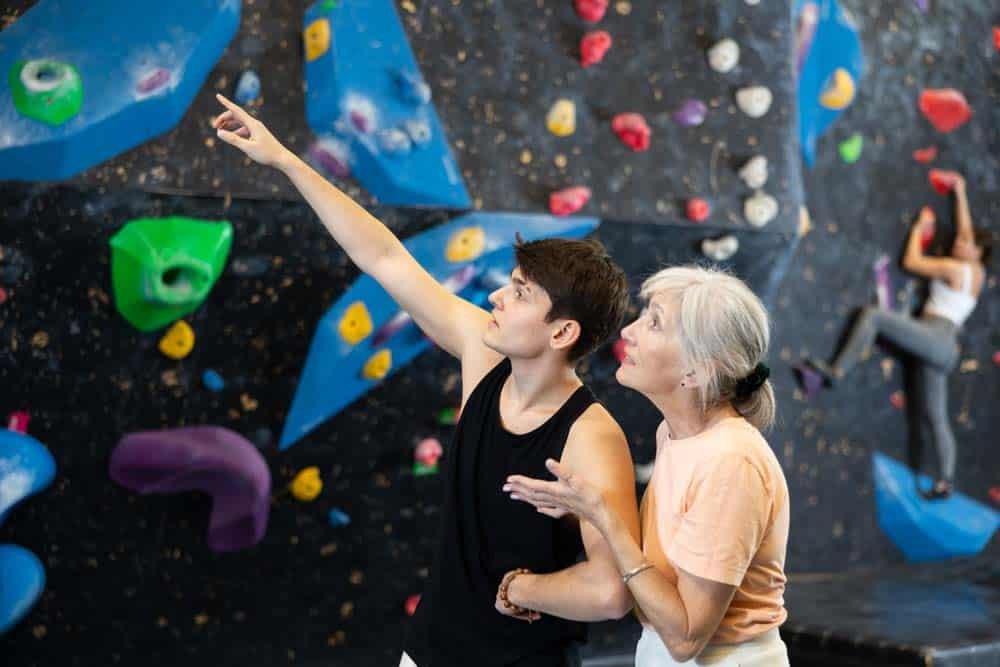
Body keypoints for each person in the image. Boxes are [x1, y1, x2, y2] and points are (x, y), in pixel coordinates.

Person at [211, 94, 641, 666]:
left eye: (519, 293)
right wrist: (287, 161)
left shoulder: (592, 438)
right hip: (429, 651)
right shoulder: (483, 357)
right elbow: (385, 258)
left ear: (561, 333)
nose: (495, 296)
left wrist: (520, 589)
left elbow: (610, 591)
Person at [506, 266, 791, 666]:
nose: (629, 332)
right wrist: (582, 511)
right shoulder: (673, 433)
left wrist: (605, 518)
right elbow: (663, 567)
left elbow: (685, 637)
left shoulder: (732, 463)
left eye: (655, 323)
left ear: (698, 370)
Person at [806, 174, 991, 499]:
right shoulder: (976, 273)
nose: (961, 242)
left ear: (978, 254)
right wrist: (960, 191)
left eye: (969, 244)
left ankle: (837, 370)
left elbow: (911, 262)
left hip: (935, 335)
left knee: (873, 316)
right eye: (963, 240)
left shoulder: (956, 268)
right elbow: (965, 229)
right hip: (944, 347)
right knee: (935, 416)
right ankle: (946, 480)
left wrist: (919, 229)